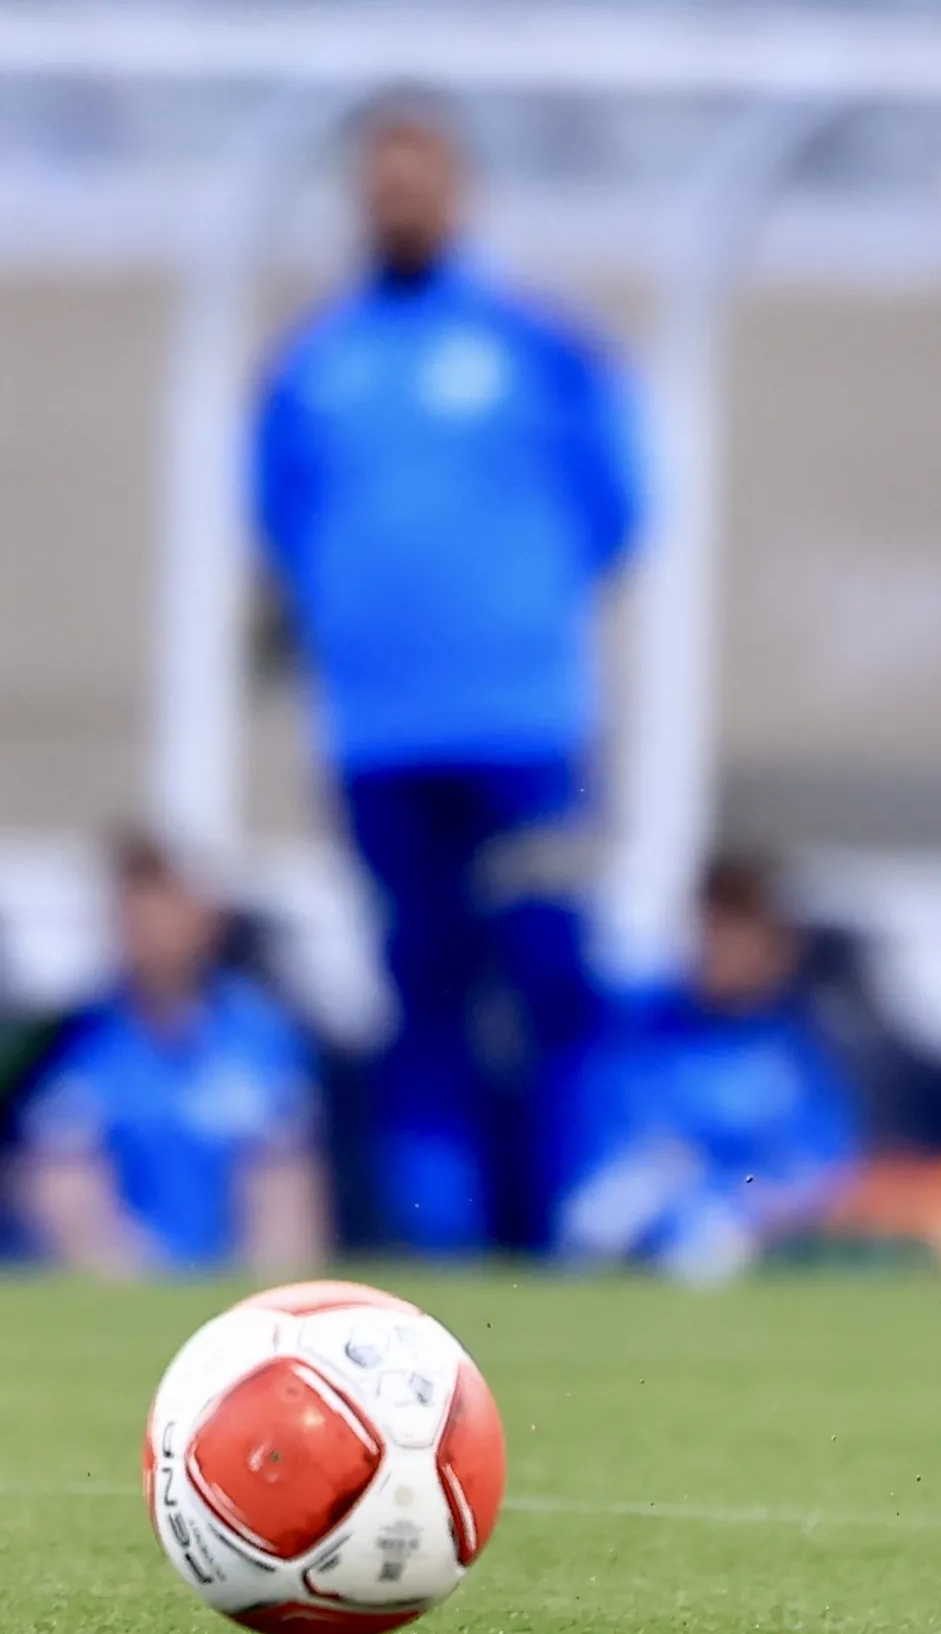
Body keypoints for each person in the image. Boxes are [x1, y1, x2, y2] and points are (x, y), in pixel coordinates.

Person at [253, 90, 642, 1254]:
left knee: (548, 975)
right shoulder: (314, 365)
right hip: (379, 735)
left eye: (415, 178)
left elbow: (617, 509)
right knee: (421, 988)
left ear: (457, 190)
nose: (396, 201)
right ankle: (444, 1236)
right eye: (377, 182)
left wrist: (506, 611)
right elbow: (282, 520)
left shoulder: (538, 347)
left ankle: (562, 1226)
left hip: (524, 728)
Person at [14, 832, 327, 1275]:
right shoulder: (80, 1041)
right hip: (127, 1278)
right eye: (132, 911)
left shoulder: (262, 1037)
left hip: (233, 1278)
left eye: (163, 907)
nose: (147, 927)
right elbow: (63, 1182)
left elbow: (286, 1187)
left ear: (203, 918)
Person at [555, 853, 861, 1283]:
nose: (721, 947)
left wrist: (749, 1208)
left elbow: (821, 1171)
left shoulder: (795, 1053)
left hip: (748, 1239)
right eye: (712, 927)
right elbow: (602, 1157)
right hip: (642, 1227)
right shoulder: (640, 1032)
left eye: (739, 931)